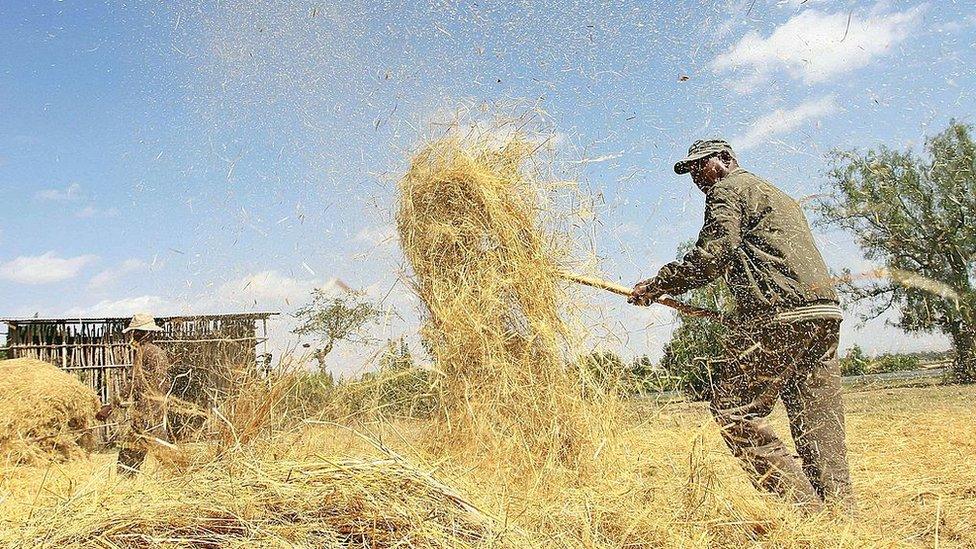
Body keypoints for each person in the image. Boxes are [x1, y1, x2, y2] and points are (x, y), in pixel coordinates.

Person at [630, 139, 852, 511]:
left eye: (701, 165)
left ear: (726, 160)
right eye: (690, 171)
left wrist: (658, 285)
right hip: (822, 314)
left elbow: (713, 255)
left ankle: (807, 513)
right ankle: (842, 520)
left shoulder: (728, 189)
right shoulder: (776, 194)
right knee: (820, 422)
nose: (697, 176)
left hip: (780, 316)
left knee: (734, 412)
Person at [107, 313, 173, 476]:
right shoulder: (151, 352)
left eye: (137, 332)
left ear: (146, 333)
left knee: (138, 454)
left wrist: (111, 406)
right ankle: (182, 474)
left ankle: (183, 474)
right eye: (134, 332)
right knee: (135, 453)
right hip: (149, 411)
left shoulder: (148, 352)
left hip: (148, 413)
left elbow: (136, 382)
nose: (134, 335)